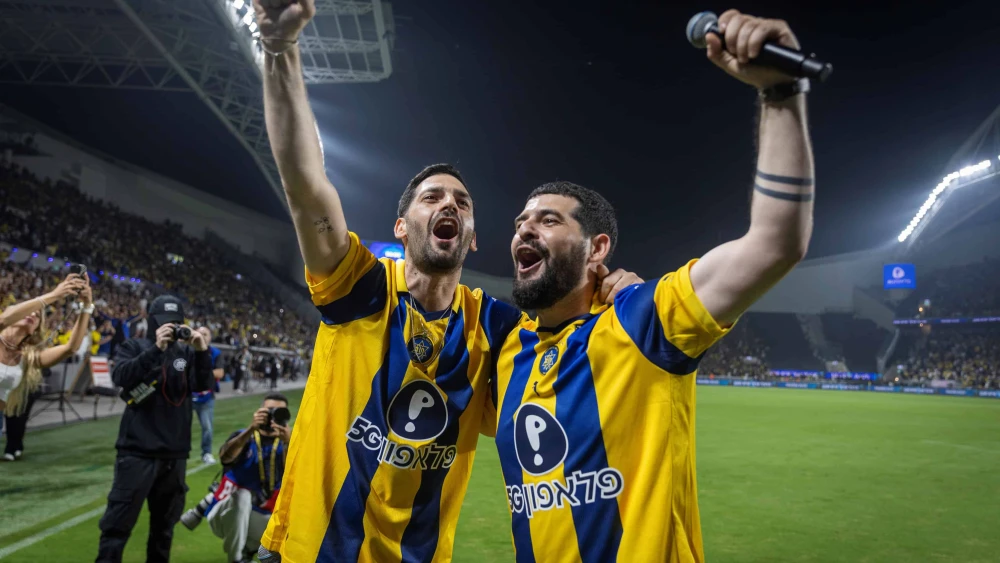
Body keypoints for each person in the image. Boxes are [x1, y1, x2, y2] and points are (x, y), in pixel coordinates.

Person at [250, 1, 640, 561]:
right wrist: (281, 50)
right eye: (432, 197)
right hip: (311, 551)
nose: (448, 203)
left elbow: (574, 346)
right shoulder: (360, 287)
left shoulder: (498, 326)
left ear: (473, 237)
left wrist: (609, 291)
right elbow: (306, 186)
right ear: (402, 228)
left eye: (462, 201)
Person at [492, 10, 816, 562]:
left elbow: (774, 244)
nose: (525, 227)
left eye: (548, 220)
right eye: (521, 221)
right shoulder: (501, 355)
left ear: (597, 250)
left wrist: (781, 92)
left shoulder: (644, 321)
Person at [95, 294, 214, 563]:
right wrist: (156, 350)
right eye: (164, 322)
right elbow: (120, 377)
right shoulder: (134, 346)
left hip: (174, 455)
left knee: (163, 530)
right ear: (151, 321)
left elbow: (202, 385)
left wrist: (201, 350)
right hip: (137, 452)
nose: (170, 327)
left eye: (175, 323)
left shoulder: (185, 353)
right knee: (117, 526)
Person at [1, 274, 92, 461]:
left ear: (35, 329)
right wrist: (55, 295)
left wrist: (86, 306)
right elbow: (4, 320)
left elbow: (71, 348)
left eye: (37, 316)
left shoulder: (27, 357)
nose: (34, 314)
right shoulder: (3, 321)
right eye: (29, 310)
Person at [206, 394, 292, 563]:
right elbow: (226, 458)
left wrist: (288, 442)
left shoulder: (289, 442)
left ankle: (251, 548)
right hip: (224, 514)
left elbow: (296, 475)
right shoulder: (243, 436)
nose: (273, 416)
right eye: (269, 411)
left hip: (260, 516)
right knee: (242, 496)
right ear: (259, 412)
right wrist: (251, 429)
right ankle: (236, 558)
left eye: (279, 412)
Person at [192, 326, 225, 465]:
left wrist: (200, 374)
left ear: (210, 337)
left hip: (206, 397)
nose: (202, 336)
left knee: (207, 428)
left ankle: (206, 453)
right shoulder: (188, 351)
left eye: (205, 334)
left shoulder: (215, 353)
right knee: (180, 426)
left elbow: (220, 373)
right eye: (199, 333)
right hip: (187, 396)